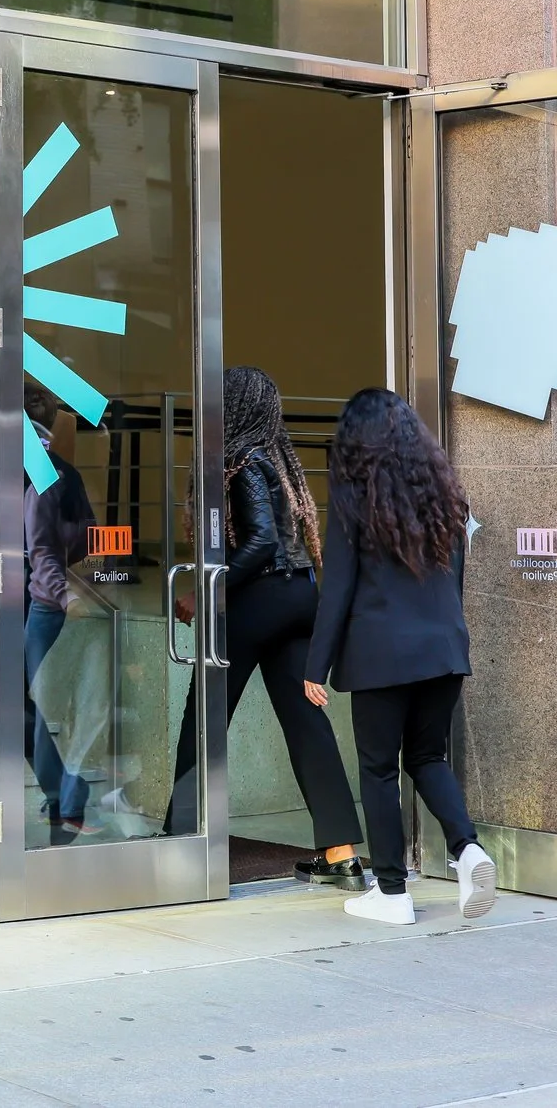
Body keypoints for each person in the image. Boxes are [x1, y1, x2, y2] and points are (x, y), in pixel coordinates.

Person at [162, 367, 364, 887]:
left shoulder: (243, 462)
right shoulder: (275, 460)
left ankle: (181, 841)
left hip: (263, 597)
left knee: (203, 719)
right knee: (306, 724)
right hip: (300, 596)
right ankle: (341, 853)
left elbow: (261, 544)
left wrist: (203, 590)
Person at [303, 388, 495, 926]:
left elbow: (337, 586)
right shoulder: (442, 492)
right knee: (428, 758)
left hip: (381, 655)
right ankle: (468, 851)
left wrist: (315, 666)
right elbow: (454, 578)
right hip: (444, 650)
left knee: (379, 770)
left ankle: (391, 892)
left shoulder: (352, 495)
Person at [21, 386, 99, 843]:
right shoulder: (50, 481)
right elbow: (47, 554)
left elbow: (72, 542)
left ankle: (64, 805)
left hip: (54, 603)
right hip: (51, 605)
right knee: (48, 712)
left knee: (53, 711)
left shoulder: (54, 479)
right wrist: (68, 591)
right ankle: (62, 805)